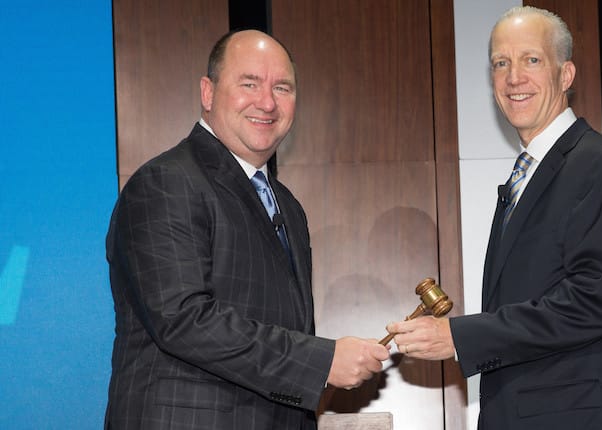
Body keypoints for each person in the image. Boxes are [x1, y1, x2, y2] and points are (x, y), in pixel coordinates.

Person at [105, 30, 389, 429]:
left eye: (282, 87)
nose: (267, 102)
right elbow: (182, 319)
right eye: (249, 83)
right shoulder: (166, 182)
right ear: (208, 92)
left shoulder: (287, 205)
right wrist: (322, 360)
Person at [386, 6, 602, 429]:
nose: (514, 77)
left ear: (566, 75)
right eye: (500, 63)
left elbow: (592, 302)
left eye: (532, 60)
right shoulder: (526, 174)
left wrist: (458, 337)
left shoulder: (600, 164)